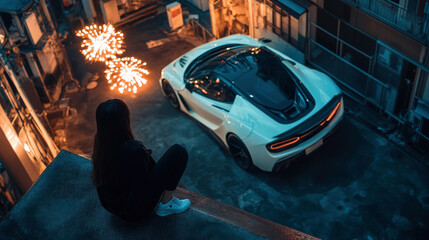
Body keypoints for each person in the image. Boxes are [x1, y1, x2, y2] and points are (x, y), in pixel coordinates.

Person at [91, 99, 190, 221]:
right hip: (136, 212)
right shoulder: (134, 149)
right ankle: (166, 204)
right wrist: (144, 154)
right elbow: (148, 174)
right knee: (178, 152)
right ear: (124, 120)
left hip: (112, 208)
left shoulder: (100, 143)